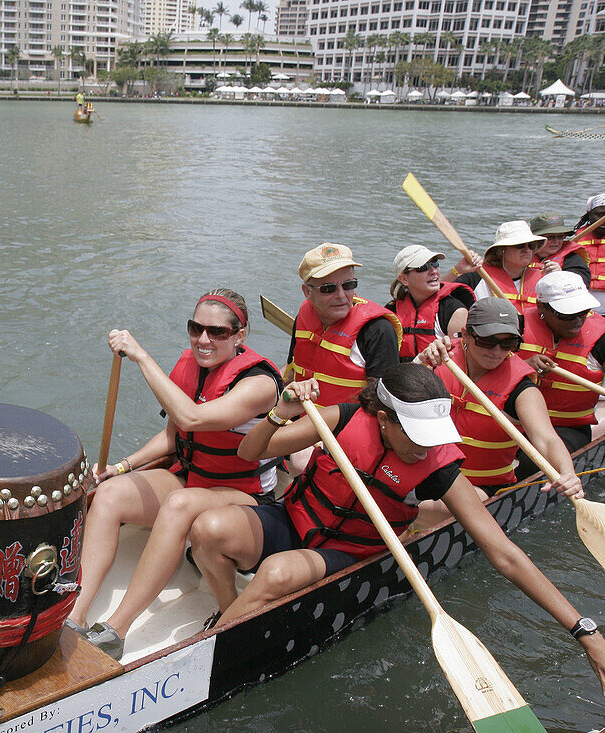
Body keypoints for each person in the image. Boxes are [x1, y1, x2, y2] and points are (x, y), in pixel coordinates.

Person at [188, 363, 605, 694]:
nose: (425, 446)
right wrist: (281, 412)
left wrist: (584, 631)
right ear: (383, 419)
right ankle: (228, 617)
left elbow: (505, 554)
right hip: (295, 519)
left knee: (276, 572)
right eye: (416, 435)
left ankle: (200, 662)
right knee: (207, 529)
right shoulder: (342, 417)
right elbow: (249, 451)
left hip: (349, 552)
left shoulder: (436, 466)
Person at [67, 290, 283, 659]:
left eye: (217, 332)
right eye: (195, 328)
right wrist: (120, 467)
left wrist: (141, 356)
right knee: (112, 494)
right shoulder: (189, 365)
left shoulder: (260, 383)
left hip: (243, 495)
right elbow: (174, 436)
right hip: (192, 475)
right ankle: (75, 614)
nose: (203, 339)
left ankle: (116, 629)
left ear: (239, 336)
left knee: (180, 504)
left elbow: (192, 418)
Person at [416, 298, 582, 492]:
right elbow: (388, 403)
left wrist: (567, 472)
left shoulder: (522, 388)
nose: (496, 351)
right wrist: (419, 362)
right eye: (487, 341)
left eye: (508, 343)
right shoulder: (440, 357)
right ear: (467, 335)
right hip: (428, 474)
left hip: (482, 489)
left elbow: (546, 438)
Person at [287, 243, 401, 407]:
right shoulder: (303, 320)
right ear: (307, 292)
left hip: (348, 427)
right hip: (302, 416)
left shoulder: (378, 330)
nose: (341, 295)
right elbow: (293, 369)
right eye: (328, 288)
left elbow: (383, 404)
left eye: (348, 285)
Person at [518, 271, 605, 452]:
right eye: (567, 315)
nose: (577, 321)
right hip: (516, 420)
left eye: (583, 312)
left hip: (567, 426)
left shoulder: (601, 338)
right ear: (541, 307)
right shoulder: (516, 327)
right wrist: (522, 366)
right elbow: (484, 374)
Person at [386, 244, 476, 361]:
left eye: (435, 263)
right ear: (404, 279)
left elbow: (461, 360)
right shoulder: (391, 311)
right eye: (423, 267)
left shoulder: (455, 311)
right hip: (401, 375)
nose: (433, 271)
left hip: (437, 377)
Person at [455, 220, 555, 313]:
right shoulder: (478, 277)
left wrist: (559, 276)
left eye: (531, 245)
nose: (527, 250)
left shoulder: (543, 278)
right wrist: (456, 270)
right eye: (520, 245)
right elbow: (441, 291)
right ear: (502, 250)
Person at [529, 213, 588, 286]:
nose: (556, 241)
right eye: (550, 237)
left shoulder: (572, 259)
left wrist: (561, 275)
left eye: (560, 237)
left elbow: (583, 284)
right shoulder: (521, 255)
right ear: (536, 238)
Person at [573, 194, 605, 312]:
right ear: (589, 215)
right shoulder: (576, 239)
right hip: (584, 301)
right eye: (600, 214)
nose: (604, 219)